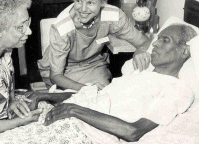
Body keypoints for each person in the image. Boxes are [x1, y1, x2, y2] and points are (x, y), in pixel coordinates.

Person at [42, 24, 196, 142]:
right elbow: (97, 96)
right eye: (158, 38)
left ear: (184, 51)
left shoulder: (177, 90)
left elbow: (133, 131)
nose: (155, 44)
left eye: (165, 40)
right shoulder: (140, 73)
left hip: (86, 134)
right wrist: (42, 96)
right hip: (75, 116)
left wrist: (74, 110)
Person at [37, 0, 151, 91]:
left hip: (93, 65)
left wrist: (140, 50)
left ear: (102, 2)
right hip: (64, 71)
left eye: (90, 2)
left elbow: (145, 41)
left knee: (107, 98)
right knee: (78, 103)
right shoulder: (62, 27)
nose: (83, 9)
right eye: (78, 1)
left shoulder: (114, 16)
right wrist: (86, 89)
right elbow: (56, 76)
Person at [0, 0, 47, 137]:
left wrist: (11, 101)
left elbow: (6, 84)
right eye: (20, 27)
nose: (28, 31)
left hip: (2, 117)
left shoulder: (5, 49)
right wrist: (19, 123)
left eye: (27, 23)